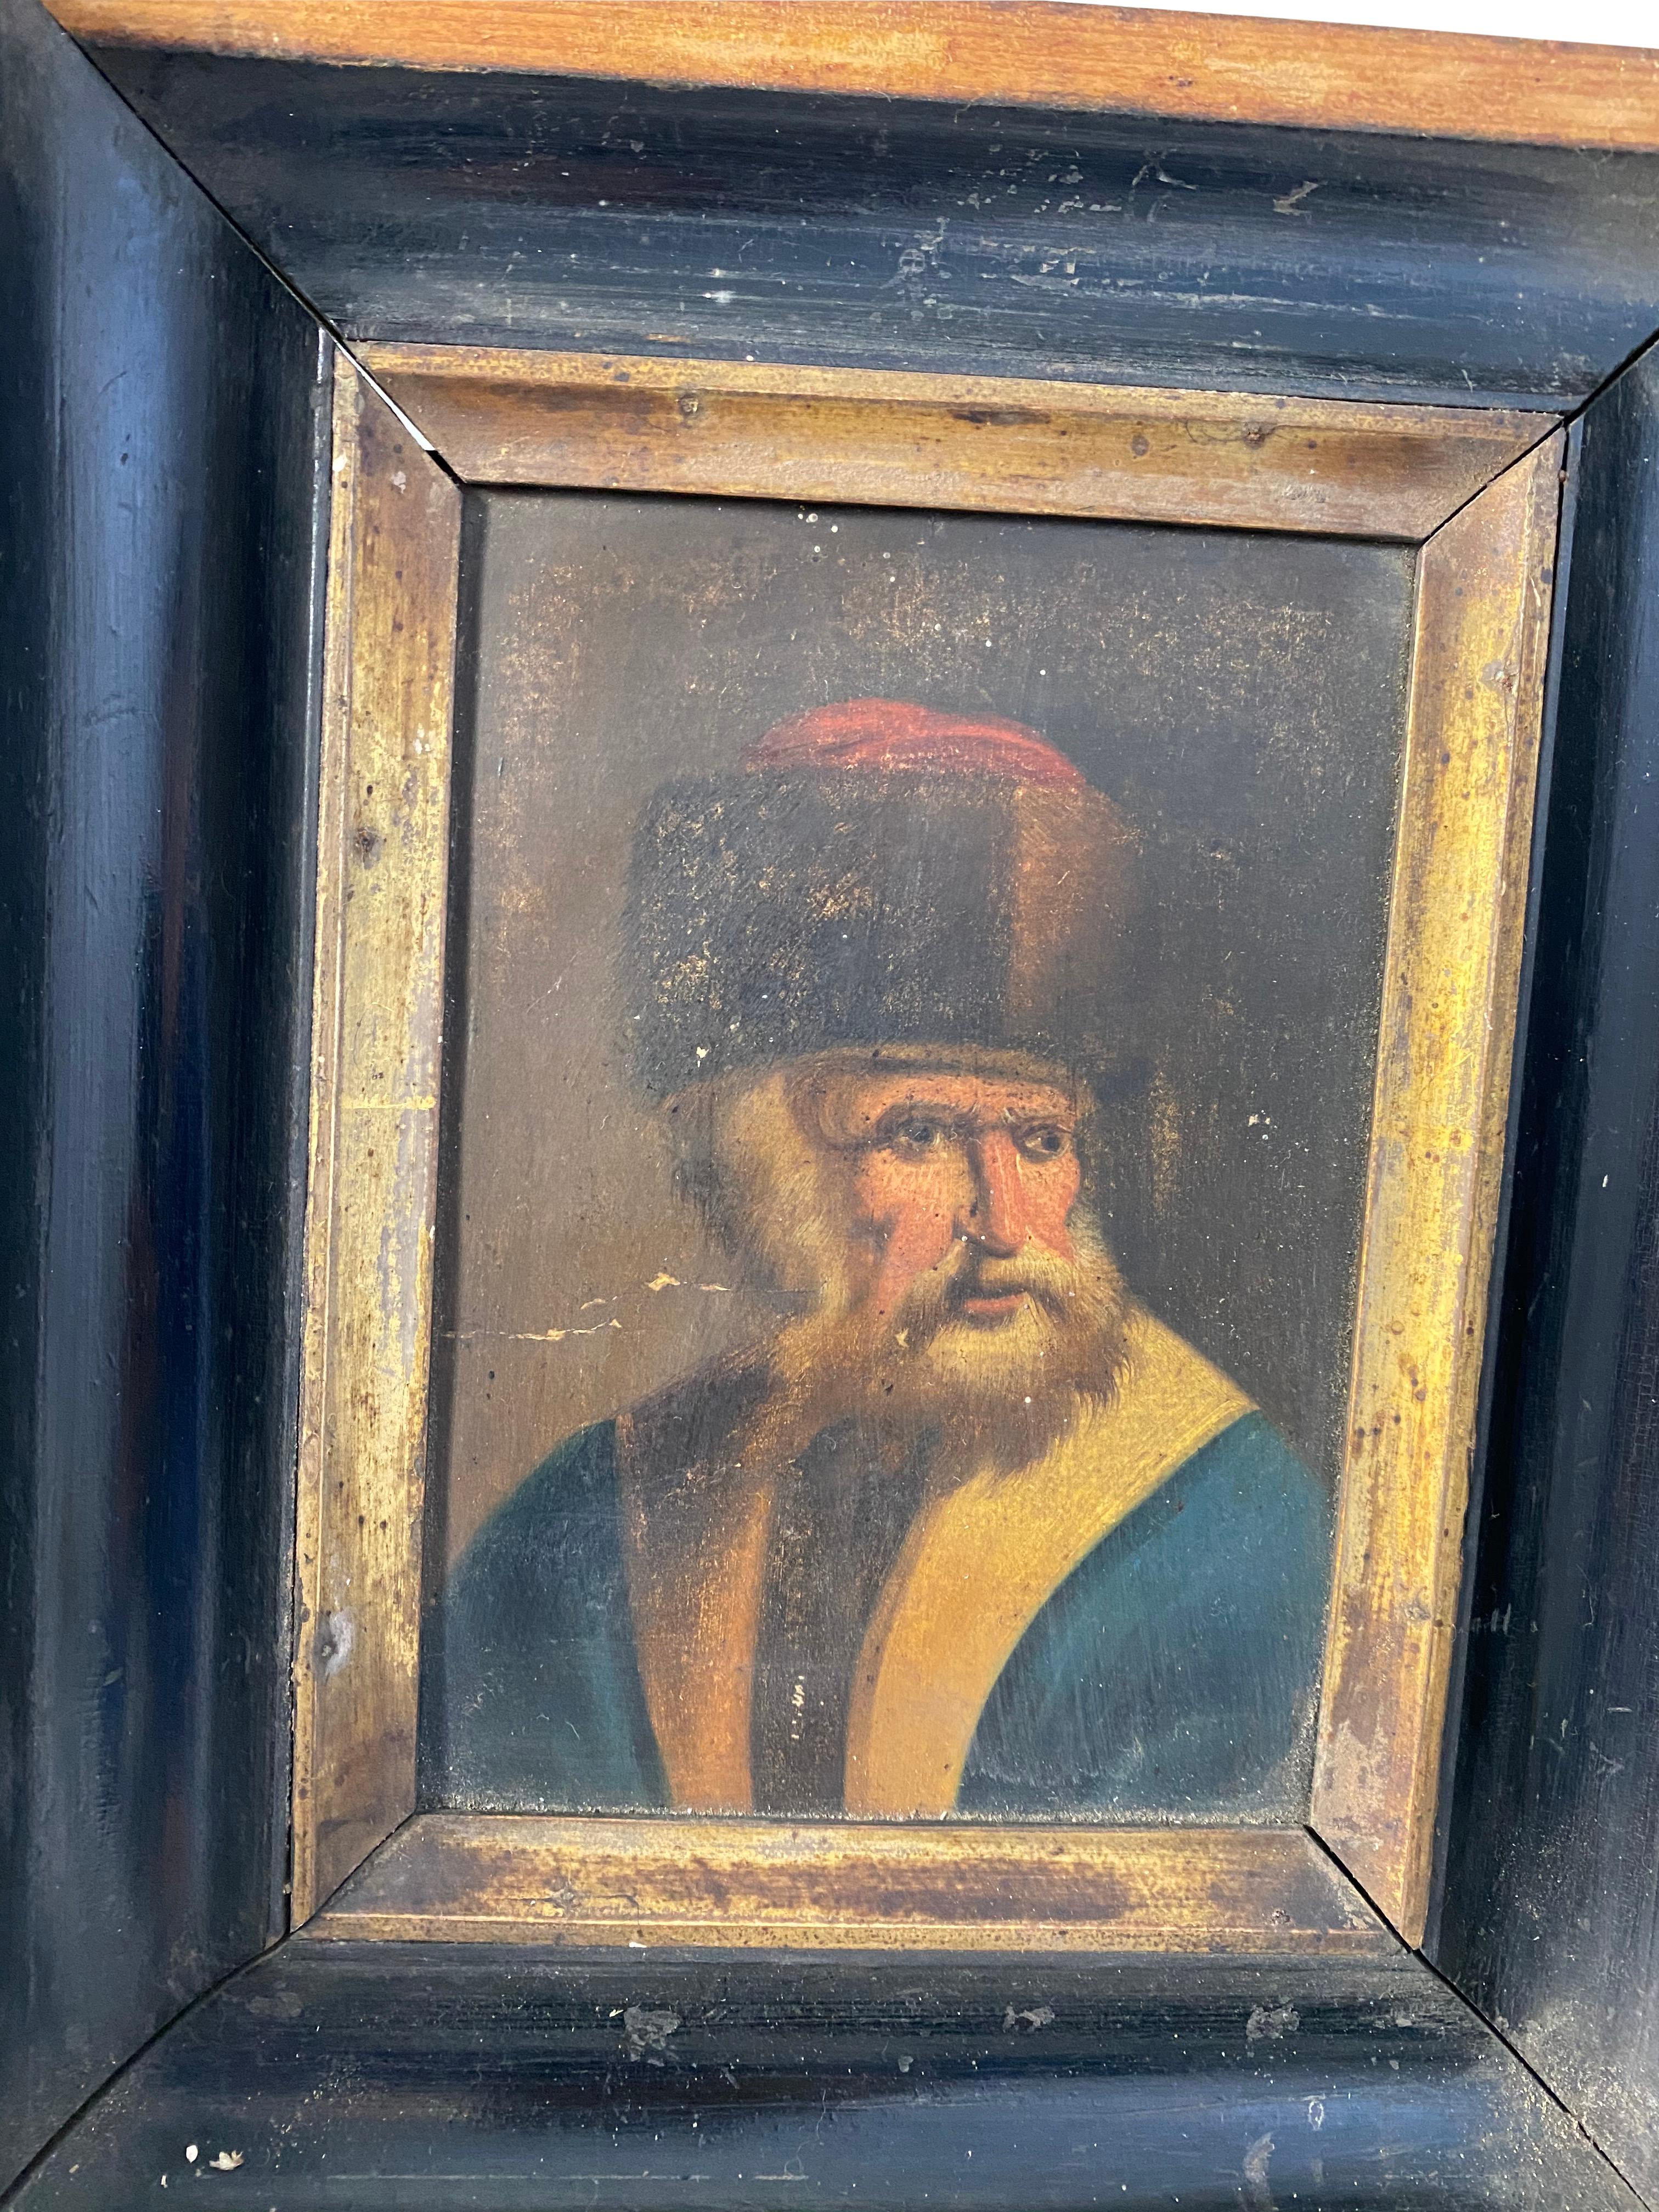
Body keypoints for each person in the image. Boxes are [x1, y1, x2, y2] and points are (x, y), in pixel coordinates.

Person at [433, 699, 1329, 1820]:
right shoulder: (576, 1538)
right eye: (919, 1134)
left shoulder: (1228, 1533)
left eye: (1039, 1139)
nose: (1005, 1222)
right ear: (767, 1171)